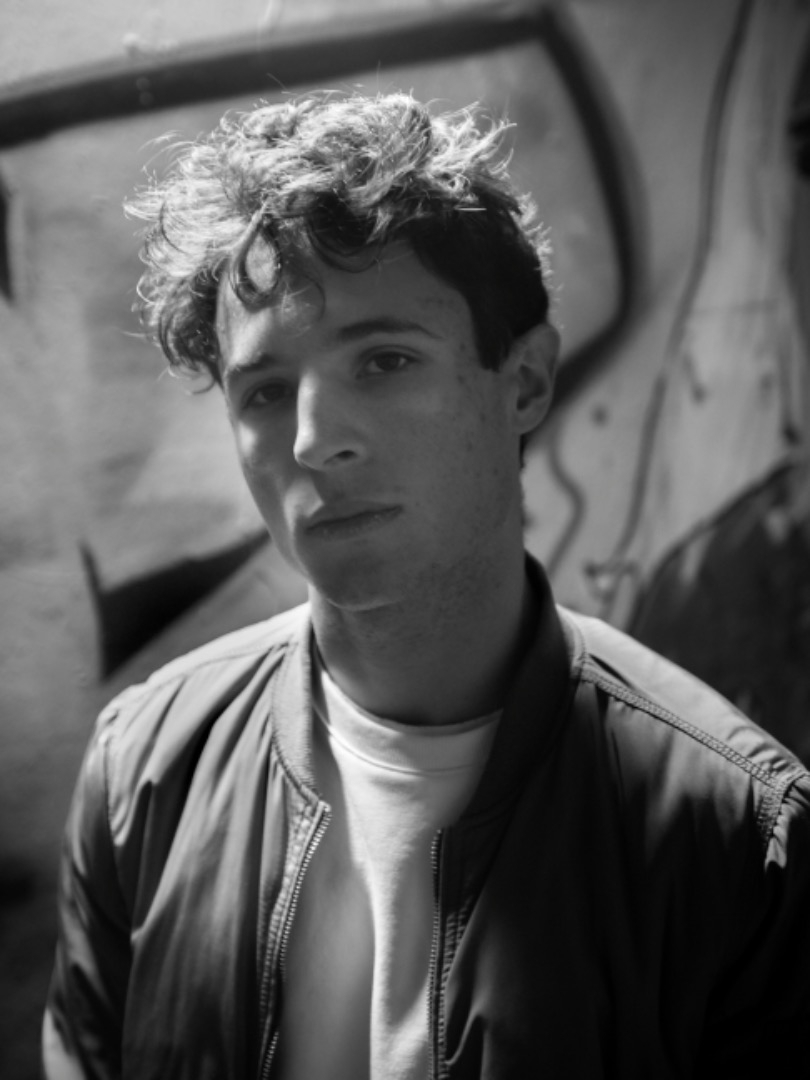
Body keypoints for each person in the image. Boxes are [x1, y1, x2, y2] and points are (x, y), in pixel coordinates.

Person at [43, 91, 810, 1080]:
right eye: (265, 391)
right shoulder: (144, 773)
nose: (314, 439)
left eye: (385, 360)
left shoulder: (740, 837)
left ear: (524, 383)